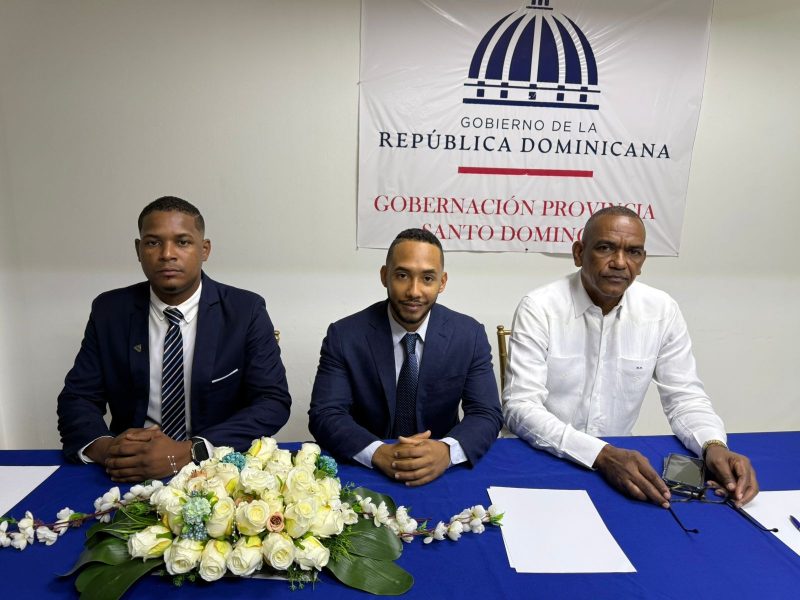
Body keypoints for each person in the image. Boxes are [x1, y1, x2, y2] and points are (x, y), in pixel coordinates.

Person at [503, 206, 758, 507]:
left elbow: (684, 397)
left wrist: (713, 445)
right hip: (541, 456)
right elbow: (520, 406)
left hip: (620, 463)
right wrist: (600, 454)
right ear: (579, 253)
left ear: (642, 261)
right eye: (605, 248)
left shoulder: (661, 310)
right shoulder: (540, 307)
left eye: (633, 252)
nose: (620, 262)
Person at [57, 196, 291, 482]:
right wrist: (109, 450)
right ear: (138, 249)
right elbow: (78, 397)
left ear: (204, 249)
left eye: (182, 242)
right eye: (153, 242)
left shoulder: (245, 311)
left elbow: (272, 401)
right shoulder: (110, 311)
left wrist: (191, 450)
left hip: (216, 471)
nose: (167, 254)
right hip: (128, 470)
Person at [309, 228, 502, 486]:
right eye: (402, 275)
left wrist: (447, 451)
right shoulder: (344, 335)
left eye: (427, 278)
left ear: (442, 282)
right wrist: (377, 452)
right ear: (384, 275)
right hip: (367, 471)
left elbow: (486, 412)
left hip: (440, 471)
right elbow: (326, 413)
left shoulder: (469, 335)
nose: (414, 291)